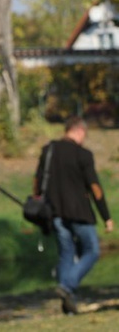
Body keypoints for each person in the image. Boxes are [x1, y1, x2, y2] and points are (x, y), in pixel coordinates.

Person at [34, 116, 113, 315]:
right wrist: (106, 216)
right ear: (79, 131)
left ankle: (68, 307)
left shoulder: (49, 150)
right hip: (80, 213)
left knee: (67, 254)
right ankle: (68, 286)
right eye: (83, 135)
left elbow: (37, 181)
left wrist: (39, 207)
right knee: (92, 251)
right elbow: (95, 188)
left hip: (55, 213)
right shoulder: (82, 154)